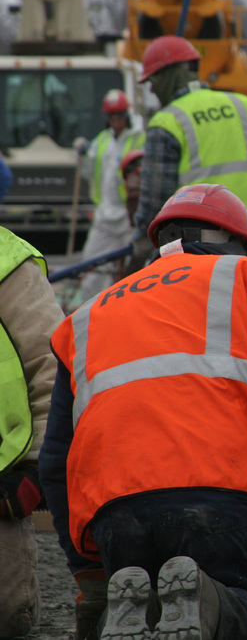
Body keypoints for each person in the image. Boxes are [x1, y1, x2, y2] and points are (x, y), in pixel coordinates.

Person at [39, 185, 247, 640]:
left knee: (154, 611)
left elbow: (55, 457)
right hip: (221, 495)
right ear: (239, 245)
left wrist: (90, 579)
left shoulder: (88, 315)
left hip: (114, 511)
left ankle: (138, 609)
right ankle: (211, 603)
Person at [133, 35, 247, 262]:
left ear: (169, 74)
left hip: (195, 243)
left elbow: (155, 199)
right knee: (245, 296)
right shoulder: (241, 105)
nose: (153, 89)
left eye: (153, 80)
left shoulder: (166, 122)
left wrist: (141, 241)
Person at [0, 226, 64, 638]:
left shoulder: (6, 261)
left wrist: (37, 459)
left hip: (1, 473)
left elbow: (52, 365)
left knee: (7, 616)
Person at [73, 89, 145, 299]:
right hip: (105, 216)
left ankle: (127, 308)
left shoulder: (138, 139)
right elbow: (89, 172)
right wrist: (84, 154)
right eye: (112, 118)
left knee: (132, 271)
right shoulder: (102, 141)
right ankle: (89, 310)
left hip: (129, 217)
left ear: (127, 117)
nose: (116, 122)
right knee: (92, 265)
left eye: (119, 118)